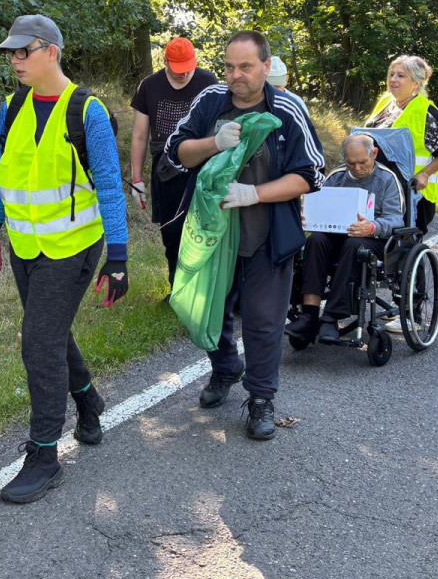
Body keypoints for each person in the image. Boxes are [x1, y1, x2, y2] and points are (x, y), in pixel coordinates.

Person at [0, 15, 129, 504]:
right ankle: (88, 401)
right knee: (51, 332)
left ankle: (44, 456)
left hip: (73, 248)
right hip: (25, 247)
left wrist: (118, 256)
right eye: (11, 53)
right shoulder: (11, 108)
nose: (15, 60)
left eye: (24, 51)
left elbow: (109, 187)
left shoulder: (87, 112)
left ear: (51, 52)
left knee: (38, 344)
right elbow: (5, 171)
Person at [164, 31, 324, 441]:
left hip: (266, 236)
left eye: (246, 67)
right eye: (230, 67)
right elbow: (176, 151)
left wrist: (255, 193)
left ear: (266, 67)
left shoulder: (287, 108)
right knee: (207, 311)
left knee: (263, 320)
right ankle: (225, 367)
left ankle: (261, 399)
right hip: (211, 235)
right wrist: (213, 143)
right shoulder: (210, 101)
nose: (236, 75)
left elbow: (311, 174)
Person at [285, 134, 404, 345]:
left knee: (354, 245)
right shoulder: (336, 177)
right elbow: (319, 206)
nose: (356, 168)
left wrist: (372, 227)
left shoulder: (387, 179)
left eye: (362, 162)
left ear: (374, 154)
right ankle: (309, 316)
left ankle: (331, 317)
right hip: (336, 236)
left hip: (373, 238)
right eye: (350, 163)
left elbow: (395, 219)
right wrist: (307, 217)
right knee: (315, 241)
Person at [128, 37, 217, 292]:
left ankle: (205, 289)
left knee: (202, 228)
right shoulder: (150, 86)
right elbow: (140, 136)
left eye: (188, 68)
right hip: (165, 169)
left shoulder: (208, 82)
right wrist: (137, 180)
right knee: (171, 230)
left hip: (202, 166)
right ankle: (177, 288)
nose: (184, 74)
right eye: (178, 69)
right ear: (166, 62)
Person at [364, 55, 438, 233]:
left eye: (401, 76)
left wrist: (425, 174)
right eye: (392, 74)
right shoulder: (386, 102)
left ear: (416, 83)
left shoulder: (424, 111)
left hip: (411, 195)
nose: (393, 79)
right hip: (377, 188)